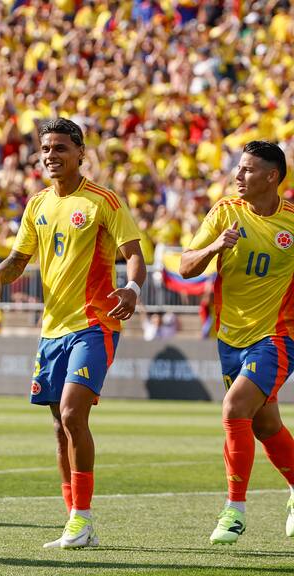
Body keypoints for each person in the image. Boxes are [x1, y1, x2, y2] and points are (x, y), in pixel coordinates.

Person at [0, 118, 146, 549]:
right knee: (59, 426)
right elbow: (18, 259)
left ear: (80, 153)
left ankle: (82, 518)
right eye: (46, 149)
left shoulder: (102, 201)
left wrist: (131, 287)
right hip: (52, 329)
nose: (51, 156)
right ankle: (74, 519)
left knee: (73, 414)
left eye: (60, 149)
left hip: (94, 323)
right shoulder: (37, 205)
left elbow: (134, 253)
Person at [180, 141, 294, 545]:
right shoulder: (225, 212)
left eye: (247, 170)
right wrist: (214, 247)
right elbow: (186, 266)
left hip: (277, 336)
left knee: (234, 408)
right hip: (230, 338)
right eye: (238, 168)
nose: (237, 176)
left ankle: (234, 510)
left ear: (271, 177)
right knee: (265, 425)